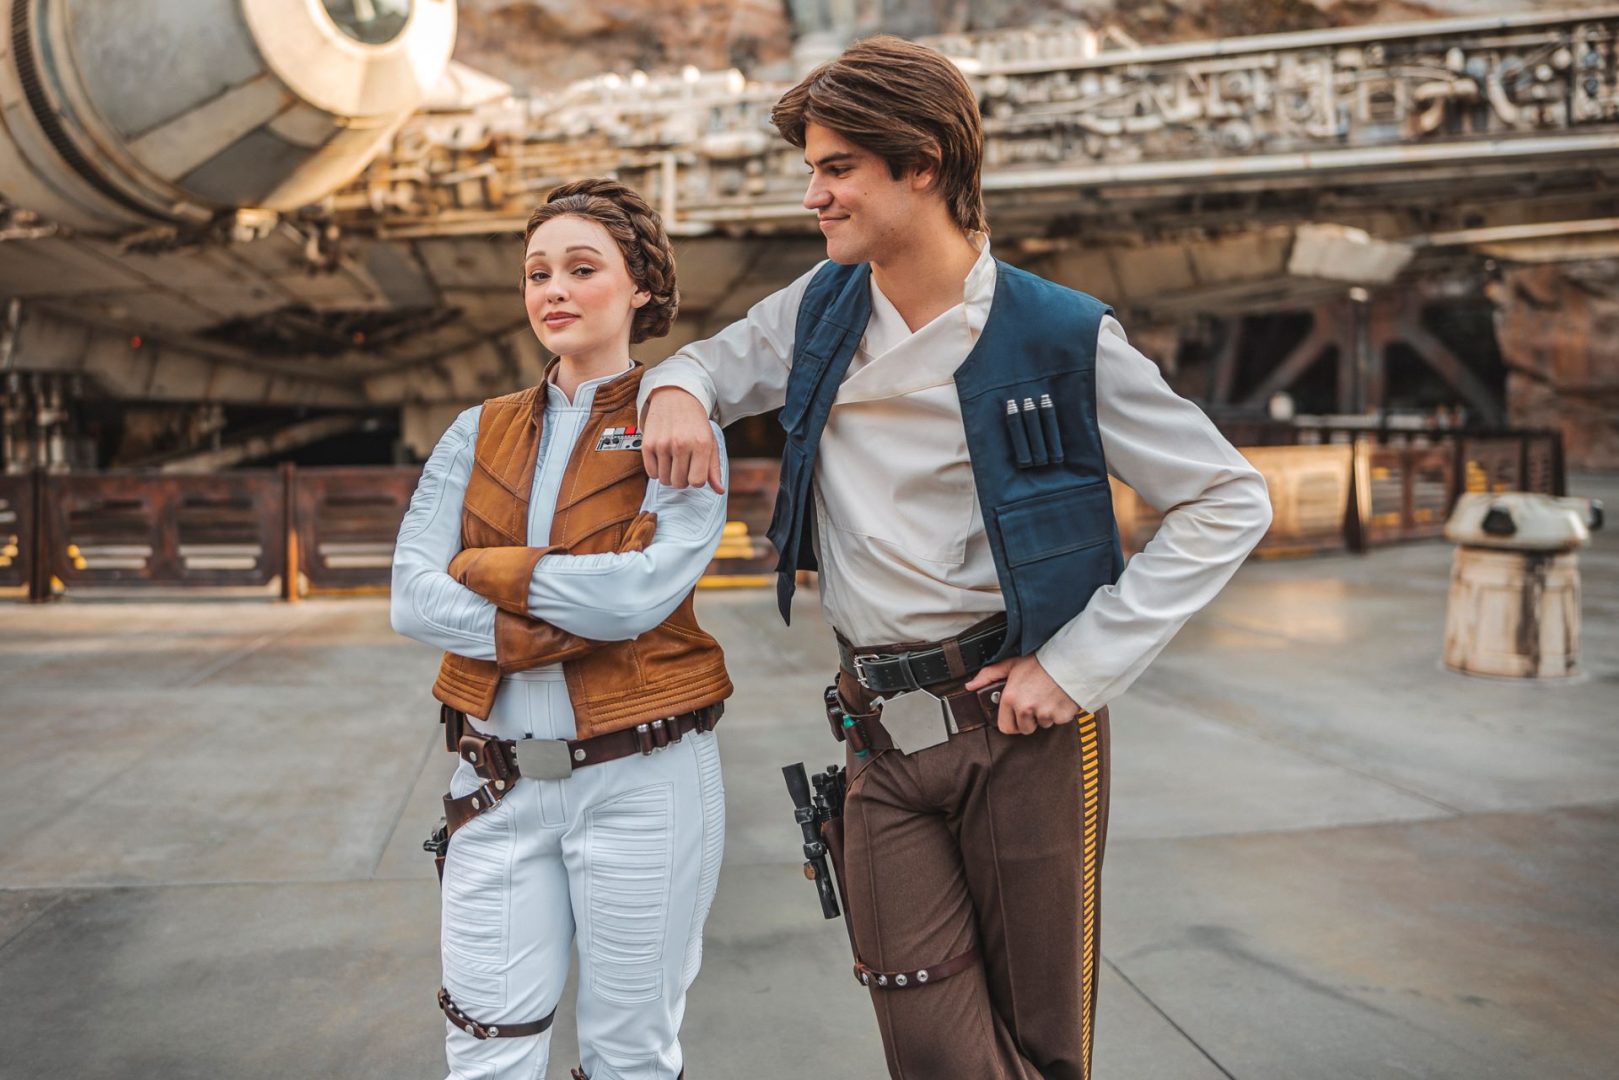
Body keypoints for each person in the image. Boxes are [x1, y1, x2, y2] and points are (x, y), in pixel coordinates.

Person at [637, 36, 1273, 1080]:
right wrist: (672, 391)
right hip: (877, 740)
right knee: (928, 1045)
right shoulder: (819, 307)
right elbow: (709, 365)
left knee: (1038, 1046)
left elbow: (1223, 498)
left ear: (921, 164)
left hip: (1021, 733)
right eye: (813, 169)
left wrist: (1074, 666)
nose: (814, 196)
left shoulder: (1061, 335)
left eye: (836, 167)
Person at [391, 178, 732, 1080]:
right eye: (537, 272)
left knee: (629, 1055)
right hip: (493, 779)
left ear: (641, 288)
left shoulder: (677, 422)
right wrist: (527, 626)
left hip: (643, 781)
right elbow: (408, 596)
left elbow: (638, 598)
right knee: (484, 1048)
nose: (554, 290)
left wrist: (482, 570)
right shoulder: (476, 429)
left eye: (583, 269)